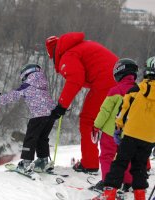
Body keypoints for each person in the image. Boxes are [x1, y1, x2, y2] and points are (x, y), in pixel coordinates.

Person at [45, 32, 118, 173]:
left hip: (105, 83)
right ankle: (141, 165)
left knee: (88, 120)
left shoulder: (68, 55)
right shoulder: (81, 47)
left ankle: (89, 164)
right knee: (124, 120)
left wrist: (61, 106)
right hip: (121, 80)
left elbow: (75, 80)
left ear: (54, 54)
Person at [96, 56, 155, 200]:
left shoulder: (136, 90)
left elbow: (123, 111)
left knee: (119, 163)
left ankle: (109, 193)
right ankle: (139, 196)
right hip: (149, 138)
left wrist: (118, 128)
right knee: (139, 167)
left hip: (131, 134)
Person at [0, 63, 56, 174]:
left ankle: (26, 164)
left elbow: (13, 95)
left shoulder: (27, 85)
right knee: (42, 138)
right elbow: (47, 100)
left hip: (38, 116)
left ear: (26, 75)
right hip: (50, 116)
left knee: (30, 139)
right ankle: (43, 160)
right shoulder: (43, 85)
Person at [90, 58, 138, 193]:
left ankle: (107, 182)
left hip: (111, 132)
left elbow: (105, 111)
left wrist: (96, 126)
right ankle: (128, 182)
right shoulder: (139, 91)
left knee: (107, 156)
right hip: (130, 133)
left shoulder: (115, 91)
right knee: (127, 157)